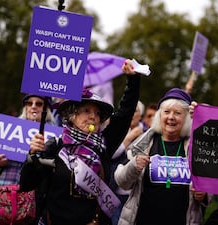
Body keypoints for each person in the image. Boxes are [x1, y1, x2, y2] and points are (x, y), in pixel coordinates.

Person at [19, 59, 141, 225]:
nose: (93, 116)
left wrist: (133, 81)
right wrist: (32, 155)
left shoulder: (104, 144)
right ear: (72, 115)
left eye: (98, 113)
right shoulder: (55, 145)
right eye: (86, 111)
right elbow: (27, 183)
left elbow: (124, 115)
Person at [114, 88, 207, 225]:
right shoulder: (143, 144)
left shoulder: (195, 146)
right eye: (167, 112)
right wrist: (133, 166)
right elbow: (122, 182)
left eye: (177, 113)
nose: (171, 117)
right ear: (159, 115)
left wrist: (203, 195)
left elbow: (209, 184)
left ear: (186, 118)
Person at [0, 94, 54, 186]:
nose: (33, 106)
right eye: (29, 103)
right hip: (7, 188)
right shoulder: (11, 126)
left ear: (46, 109)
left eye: (39, 104)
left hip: (35, 192)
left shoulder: (54, 134)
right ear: (25, 107)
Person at [110, 100, 145, 225]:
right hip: (116, 190)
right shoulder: (118, 130)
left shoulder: (147, 133)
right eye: (131, 110)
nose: (132, 114)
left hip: (137, 192)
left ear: (141, 115)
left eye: (135, 111)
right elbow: (111, 155)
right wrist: (129, 138)